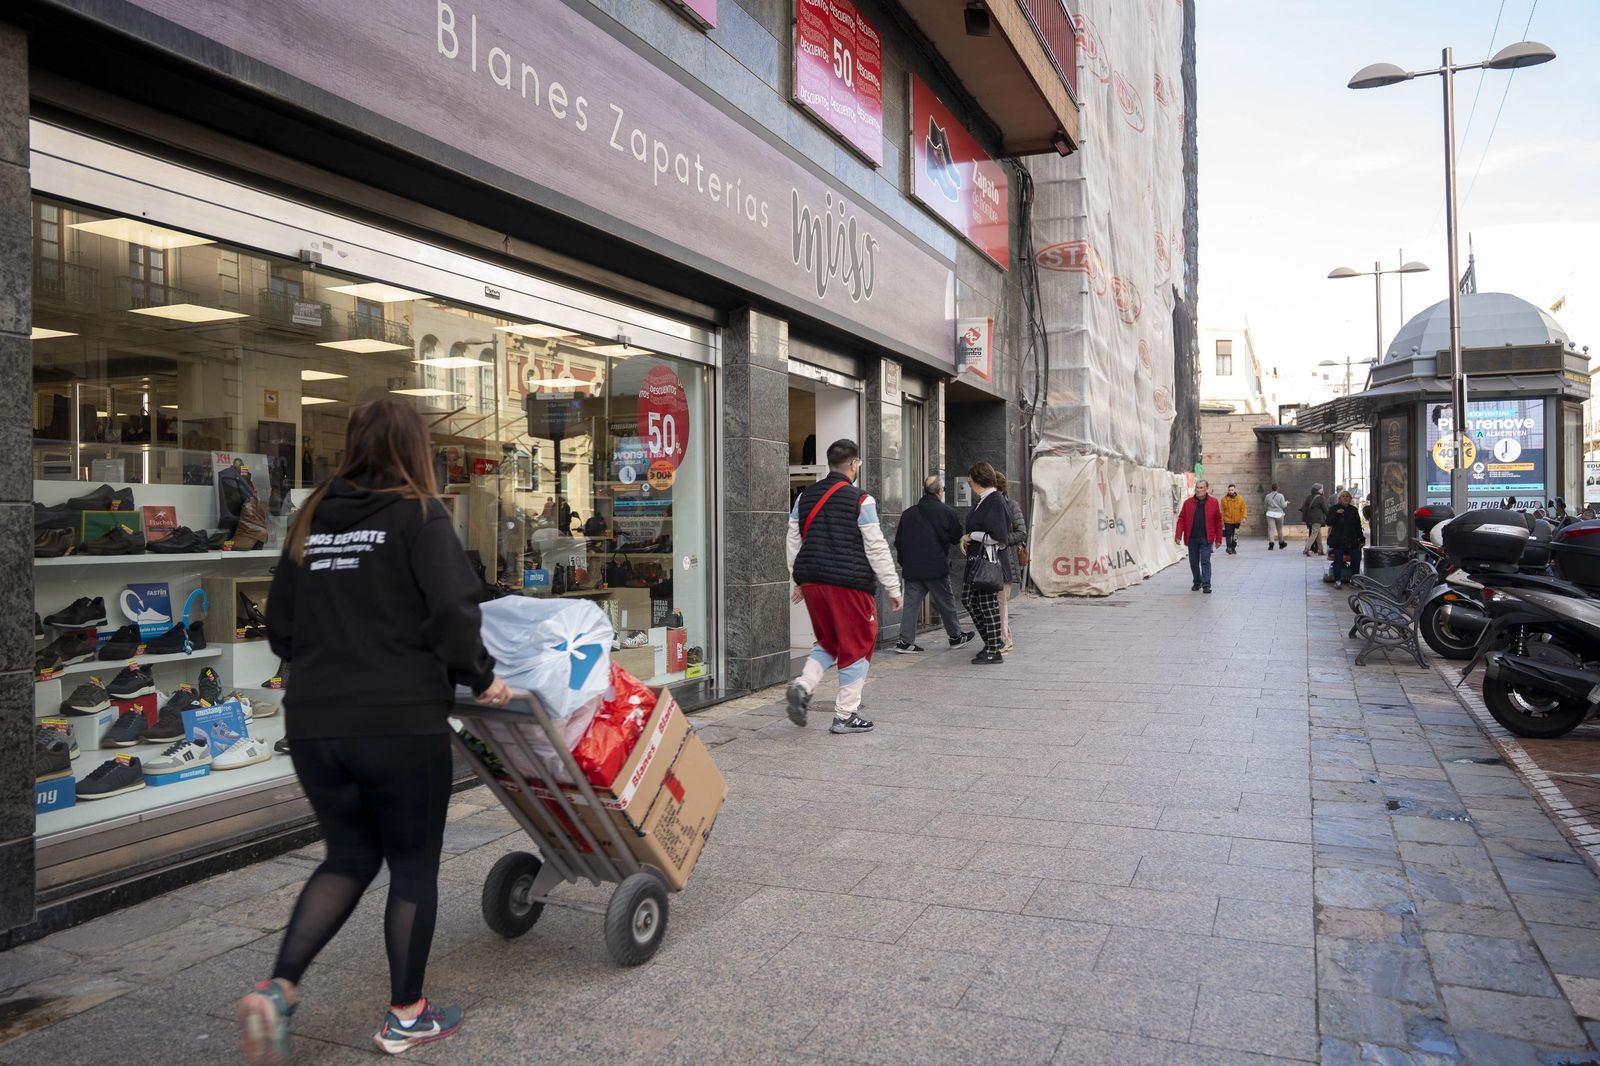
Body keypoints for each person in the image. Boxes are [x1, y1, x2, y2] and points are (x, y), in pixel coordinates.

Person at [242, 398, 510, 1062]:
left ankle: (278, 990)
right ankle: (406, 1017)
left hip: (314, 725)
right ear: (415, 449)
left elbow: (278, 625)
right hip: (397, 724)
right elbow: (453, 610)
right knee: (412, 865)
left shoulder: (310, 517)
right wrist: (480, 678)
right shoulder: (419, 514)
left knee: (348, 858)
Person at [786, 439, 903, 734]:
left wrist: (798, 579)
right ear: (853, 464)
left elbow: (792, 542)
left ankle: (803, 685)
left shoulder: (804, 499)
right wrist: (892, 587)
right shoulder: (861, 500)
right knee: (859, 644)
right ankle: (846, 715)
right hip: (849, 584)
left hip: (812, 581)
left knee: (828, 642)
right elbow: (876, 547)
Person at [892, 475, 976, 654]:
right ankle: (955, 636)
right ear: (939, 491)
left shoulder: (908, 513)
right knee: (946, 602)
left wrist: (905, 562)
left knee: (911, 605)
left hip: (912, 568)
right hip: (936, 567)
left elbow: (898, 542)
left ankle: (905, 642)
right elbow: (956, 537)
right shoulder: (946, 512)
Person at [960, 461, 1011, 663]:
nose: (970, 485)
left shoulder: (994, 501)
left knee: (986, 604)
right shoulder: (984, 500)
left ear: (980, 481)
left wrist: (971, 535)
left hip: (986, 561)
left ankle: (993, 648)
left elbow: (999, 537)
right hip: (977, 560)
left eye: (971, 482)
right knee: (970, 599)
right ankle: (992, 642)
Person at [996, 472, 1028, 652]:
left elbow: (1022, 532)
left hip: (1005, 560)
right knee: (998, 601)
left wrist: (1002, 539)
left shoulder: (1011, 506)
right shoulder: (984, 504)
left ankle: (1004, 639)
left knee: (1002, 601)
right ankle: (1005, 637)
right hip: (990, 560)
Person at [1176, 479, 1224, 593]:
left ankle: (1206, 584)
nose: (1199, 490)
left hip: (1206, 537)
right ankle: (1197, 582)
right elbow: (1181, 519)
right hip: (1192, 538)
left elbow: (1218, 521)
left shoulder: (1213, 502)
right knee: (1193, 562)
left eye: (1201, 488)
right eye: (1197, 487)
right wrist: (1178, 535)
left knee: (1205, 560)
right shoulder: (1188, 503)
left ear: (1206, 489)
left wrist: (1219, 539)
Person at [1325, 489, 1365, 589]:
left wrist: (1361, 538)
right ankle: (1337, 580)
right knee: (1338, 560)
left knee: (1356, 558)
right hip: (1338, 541)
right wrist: (1337, 514)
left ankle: (1354, 579)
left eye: (1347, 496)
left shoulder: (1353, 510)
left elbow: (1358, 526)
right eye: (1343, 496)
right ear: (1339, 499)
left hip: (1352, 540)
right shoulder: (1334, 509)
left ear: (1350, 499)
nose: (1346, 498)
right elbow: (1329, 522)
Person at [1219, 484, 1247, 555]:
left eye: (1232, 490)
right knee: (1228, 534)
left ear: (1234, 490)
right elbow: (1221, 511)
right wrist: (1221, 521)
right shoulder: (1224, 499)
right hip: (1227, 520)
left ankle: (1233, 547)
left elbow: (1243, 509)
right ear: (1227, 490)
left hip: (1237, 521)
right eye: (1229, 490)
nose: (1230, 491)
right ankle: (1228, 548)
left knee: (1235, 535)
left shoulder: (1240, 499)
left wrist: (1244, 517)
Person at [1302, 483, 1328, 556]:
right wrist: (1330, 516)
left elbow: (1304, 508)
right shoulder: (1321, 498)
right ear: (1318, 490)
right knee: (1314, 533)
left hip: (1310, 518)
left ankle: (1320, 550)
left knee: (1318, 534)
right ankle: (1307, 549)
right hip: (1317, 519)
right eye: (1321, 488)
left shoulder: (1308, 497)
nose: (1323, 490)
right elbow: (1325, 509)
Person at [1263, 483, 1288, 550]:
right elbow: (1283, 506)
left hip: (1270, 514)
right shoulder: (1281, 496)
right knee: (1279, 529)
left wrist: (1266, 511)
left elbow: (1265, 506)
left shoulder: (1267, 496)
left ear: (1271, 488)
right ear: (1278, 488)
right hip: (1279, 514)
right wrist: (1286, 503)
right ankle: (1281, 543)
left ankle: (1271, 545)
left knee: (1271, 530)